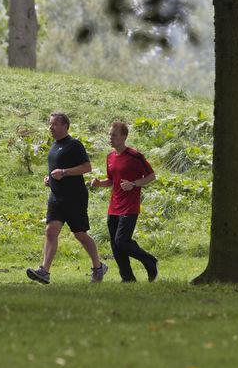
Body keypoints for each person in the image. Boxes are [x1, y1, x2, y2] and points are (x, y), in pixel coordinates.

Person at [26, 113, 108, 284]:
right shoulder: (54, 146)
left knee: (80, 235)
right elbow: (56, 170)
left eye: (54, 124)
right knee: (50, 231)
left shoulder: (74, 145)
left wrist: (64, 173)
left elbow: (87, 167)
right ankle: (44, 271)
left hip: (74, 198)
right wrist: (49, 179)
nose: (50, 128)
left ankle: (98, 267)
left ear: (65, 126)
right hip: (56, 198)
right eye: (50, 124)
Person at [90, 121, 158, 282]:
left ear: (124, 137)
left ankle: (149, 260)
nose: (110, 138)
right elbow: (112, 180)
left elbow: (151, 176)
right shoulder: (110, 157)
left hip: (130, 206)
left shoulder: (135, 156)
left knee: (122, 241)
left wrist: (133, 184)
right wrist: (100, 183)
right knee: (115, 245)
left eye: (114, 135)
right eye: (109, 134)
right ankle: (127, 278)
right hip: (113, 207)